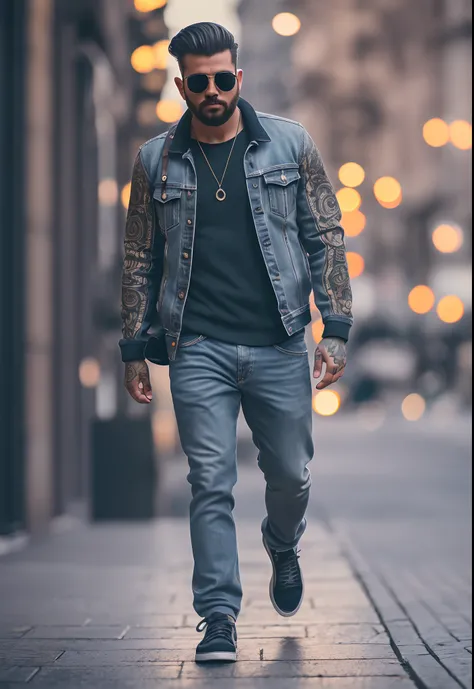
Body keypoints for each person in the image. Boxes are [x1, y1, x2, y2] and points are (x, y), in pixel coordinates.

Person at [120, 22, 353, 664]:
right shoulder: (153, 162)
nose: (214, 90)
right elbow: (140, 255)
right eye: (200, 82)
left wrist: (334, 326)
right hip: (197, 346)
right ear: (182, 86)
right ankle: (218, 614)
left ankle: (282, 542)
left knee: (291, 473)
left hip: (279, 342)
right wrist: (134, 345)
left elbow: (326, 236)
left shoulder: (290, 144)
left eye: (224, 78)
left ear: (239, 78)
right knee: (210, 480)